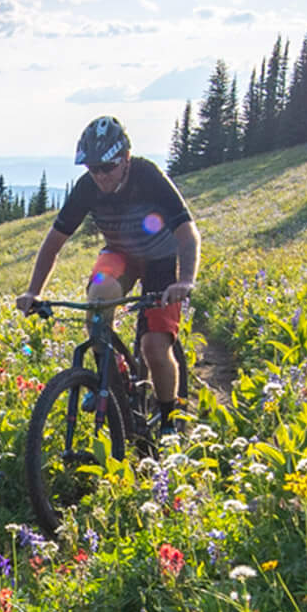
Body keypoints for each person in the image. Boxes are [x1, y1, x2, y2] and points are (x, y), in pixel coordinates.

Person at [16, 115, 199, 420]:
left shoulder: (149, 176)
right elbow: (53, 243)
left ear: (126, 158)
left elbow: (187, 233)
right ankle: (110, 383)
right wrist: (34, 292)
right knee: (98, 301)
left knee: (154, 347)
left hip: (161, 260)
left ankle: (168, 418)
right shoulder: (87, 187)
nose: (100, 176)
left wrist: (186, 281)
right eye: (93, 168)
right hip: (119, 254)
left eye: (107, 167)